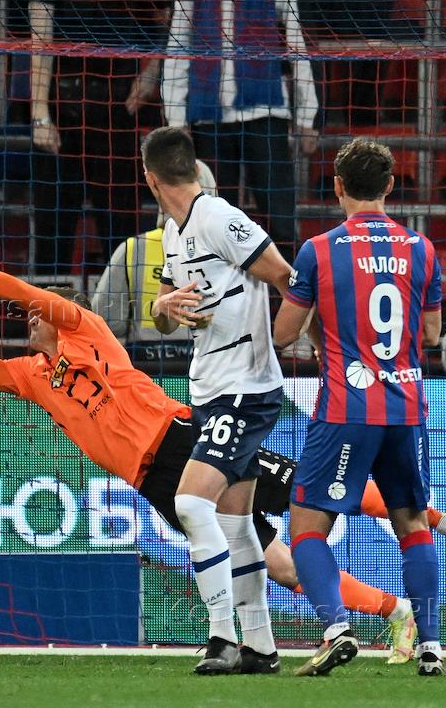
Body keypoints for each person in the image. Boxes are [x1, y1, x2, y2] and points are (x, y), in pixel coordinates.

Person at [0, 232, 446, 666]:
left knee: (307, 491)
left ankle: (434, 518)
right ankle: (395, 611)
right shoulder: (30, 377)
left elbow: (19, 291)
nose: (30, 320)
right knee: (283, 567)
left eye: (38, 314)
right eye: (31, 319)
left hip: (189, 439)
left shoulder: (85, 328)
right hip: (152, 480)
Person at [273, 138, 446, 676]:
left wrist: (323, 325)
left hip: (346, 407)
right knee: (412, 524)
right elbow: (432, 333)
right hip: (406, 408)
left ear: (338, 186)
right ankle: (431, 648)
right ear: (390, 186)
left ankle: (336, 629)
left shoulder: (318, 250)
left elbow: (283, 334)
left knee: (306, 524)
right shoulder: (422, 249)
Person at [143, 125, 290, 674]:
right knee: (235, 522)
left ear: (150, 178)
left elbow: (287, 277)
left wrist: (288, 343)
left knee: (189, 503)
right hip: (208, 389)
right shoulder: (172, 230)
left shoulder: (219, 218)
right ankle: (261, 648)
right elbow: (160, 314)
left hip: (244, 391)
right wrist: (165, 307)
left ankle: (221, 636)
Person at [161, 0, 318, 262]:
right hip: (209, 119)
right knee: (213, 225)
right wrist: (176, 119)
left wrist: (308, 116)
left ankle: (290, 291)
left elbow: (297, 47)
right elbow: (177, 51)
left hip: (266, 114)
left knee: (281, 221)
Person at [25, 0, 174, 271]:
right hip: (63, 112)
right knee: (52, 231)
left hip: (119, 112)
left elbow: (169, 26)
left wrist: (152, 74)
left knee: (120, 229)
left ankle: (121, 305)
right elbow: (40, 41)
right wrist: (40, 114)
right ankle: (50, 305)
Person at [251, 446, 446, 664]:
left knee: (324, 489)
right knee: (289, 572)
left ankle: (444, 522)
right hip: (225, 506)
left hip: (231, 457)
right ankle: (398, 611)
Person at [91, 160, 216, 361]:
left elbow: (106, 323)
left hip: (147, 369)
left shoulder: (133, 249)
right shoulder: (231, 250)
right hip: (212, 367)